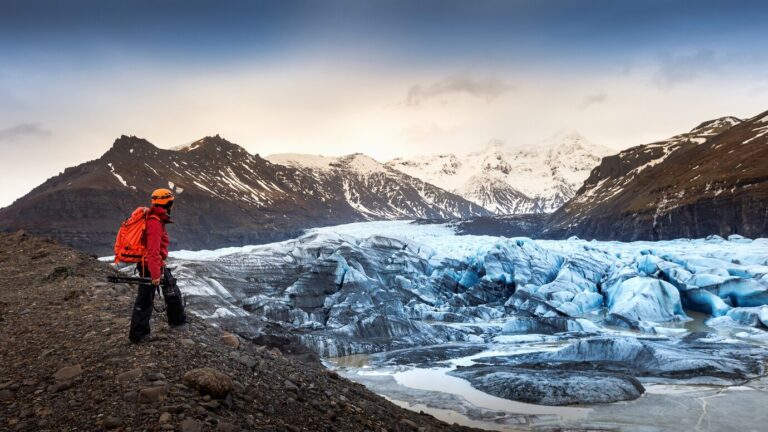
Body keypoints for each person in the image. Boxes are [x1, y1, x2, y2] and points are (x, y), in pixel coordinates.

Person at [129, 188, 187, 343]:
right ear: (168, 202)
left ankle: (177, 323)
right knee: (145, 299)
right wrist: (155, 275)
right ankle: (138, 335)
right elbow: (152, 252)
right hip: (150, 265)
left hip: (153, 264)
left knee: (171, 290)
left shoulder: (155, 218)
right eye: (172, 202)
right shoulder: (154, 222)